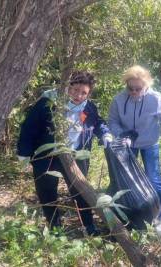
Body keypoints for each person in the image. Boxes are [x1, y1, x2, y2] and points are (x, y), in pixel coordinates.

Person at [17, 71, 113, 235]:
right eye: (75, 90)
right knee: (46, 191)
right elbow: (29, 127)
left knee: (81, 190)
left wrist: (105, 133)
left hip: (75, 155)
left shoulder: (88, 107)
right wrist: (23, 153)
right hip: (47, 155)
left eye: (84, 93)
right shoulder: (48, 102)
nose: (78, 95)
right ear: (68, 86)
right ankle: (55, 227)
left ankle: (89, 226)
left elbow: (97, 122)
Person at [108, 65, 161, 232]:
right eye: (130, 88)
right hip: (127, 145)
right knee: (125, 180)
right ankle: (130, 214)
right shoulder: (119, 99)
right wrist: (122, 135)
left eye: (137, 89)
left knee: (153, 179)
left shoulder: (155, 99)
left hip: (149, 143)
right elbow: (112, 121)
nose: (133, 92)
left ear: (146, 86)